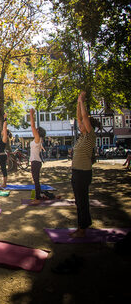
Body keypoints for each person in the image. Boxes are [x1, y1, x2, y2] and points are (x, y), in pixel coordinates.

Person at [70, 91, 100, 238]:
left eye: (83, 123)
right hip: (76, 172)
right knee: (78, 201)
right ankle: (82, 225)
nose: (80, 124)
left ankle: (82, 229)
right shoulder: (82, 136)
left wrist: (82, 101)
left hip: (83, 173)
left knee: (82, 201)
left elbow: (84, 118)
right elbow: (79, 117)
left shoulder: (90, 136)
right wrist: (77, 103)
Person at [29, 108, 47, 203]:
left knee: (36, 180)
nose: (35, 130)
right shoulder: (38, 140)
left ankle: (38, 197)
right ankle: (39, 195)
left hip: (36, 162)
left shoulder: (37, 138)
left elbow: (32, 126)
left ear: (38, 132)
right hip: (36, 161)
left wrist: (31, 115)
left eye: (37, 130)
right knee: (36, 180)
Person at [0, 115, 12, 188]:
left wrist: (5, 119)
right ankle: (4, 183)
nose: (2, 131)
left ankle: (4, 184)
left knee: (4, 170)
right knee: (3, 170)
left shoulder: (4, 138)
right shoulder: (3, 138)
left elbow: (5, 127)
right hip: (1, 155)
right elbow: (4, 128)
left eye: (3, 130)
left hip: (2, 155)